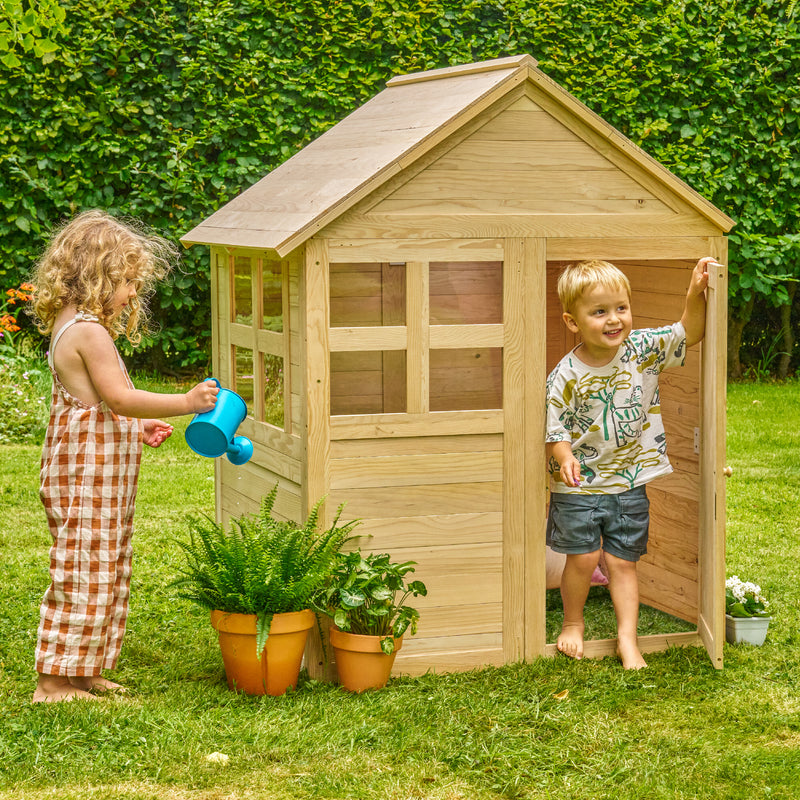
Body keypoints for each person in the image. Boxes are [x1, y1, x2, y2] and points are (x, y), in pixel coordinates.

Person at [27, 210, 219, 702]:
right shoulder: (89, 331)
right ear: (98, 275)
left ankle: (84, 669)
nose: (132, 293)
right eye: (128, 281)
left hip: (92, 473)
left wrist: (134, 430)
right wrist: (185, 404)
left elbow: (92, 407)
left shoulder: (70, 323)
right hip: (88, 480)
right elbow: (118, 398)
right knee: (83, 571)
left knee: (105, 567)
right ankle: (53, 681)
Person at [545, 256, 717, 669]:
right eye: (599, 311)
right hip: (580, 484)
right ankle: (572, 623)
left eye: (620, 308)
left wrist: (695, 293)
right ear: (573, 322)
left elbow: (688, 333)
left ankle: (627, 639)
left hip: (629, 480)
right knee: (583, 557)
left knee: (623, 561)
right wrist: (564, 457)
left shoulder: (641, 350)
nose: (613, 320)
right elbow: (556, 431)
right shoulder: (565, 374)